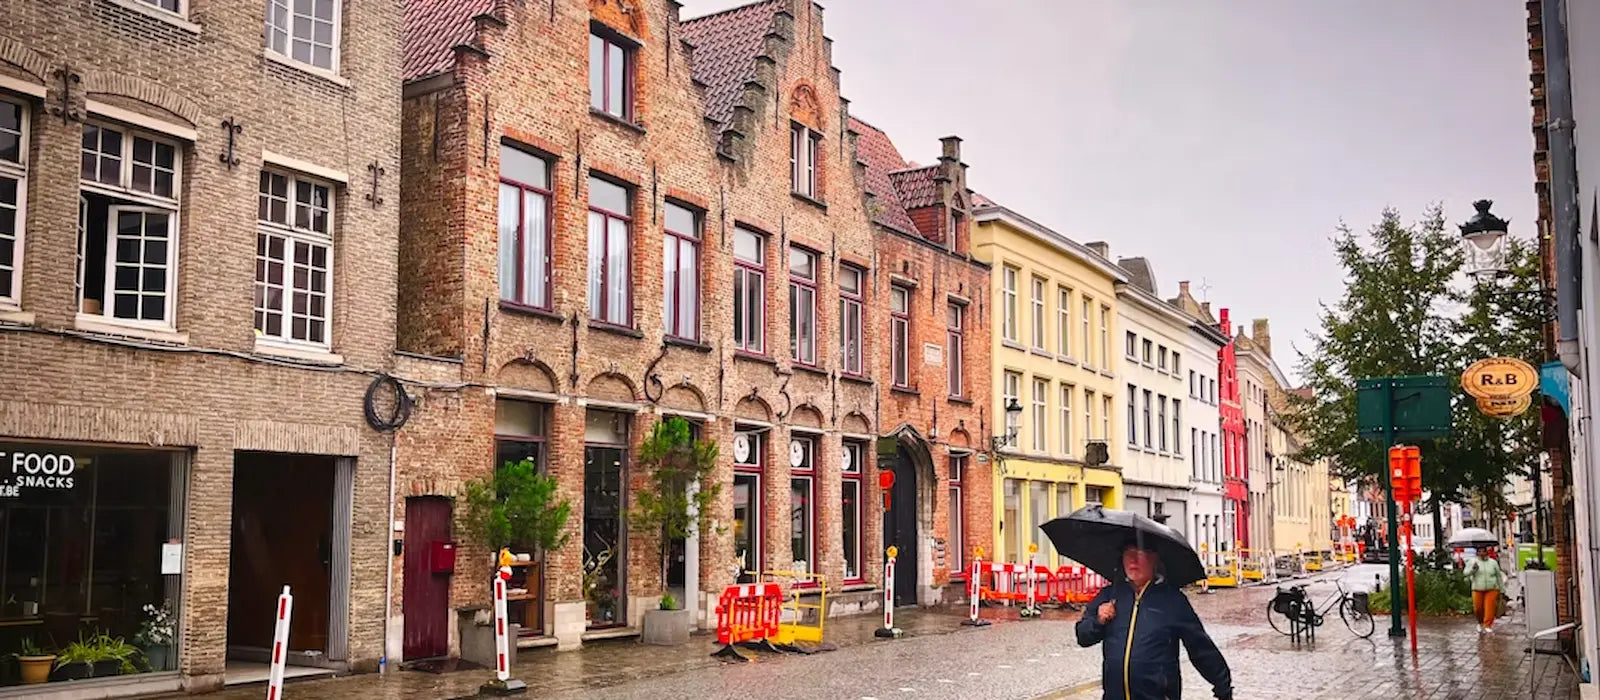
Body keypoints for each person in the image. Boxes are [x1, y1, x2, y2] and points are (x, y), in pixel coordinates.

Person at [1076, 539, 1233, 699]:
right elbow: (1082, 636)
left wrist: (1223, 687)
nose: (1133, 560)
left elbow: (1200, 647)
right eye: (1128, 554)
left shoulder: (1172, 601)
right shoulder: (1110, 595)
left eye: (1140, 554)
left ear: (1154, 559)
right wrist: (1098, 621)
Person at [1465, 546, 1504, 634]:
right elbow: (1466, 573)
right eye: (1480, 552)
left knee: (1490, 608)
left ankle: (1488, 625)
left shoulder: (1493, 562)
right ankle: (1480, 622)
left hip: (1492, 588)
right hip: (1477, 588)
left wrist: (1501, 589)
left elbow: (1498, 576)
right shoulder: (1472, 562)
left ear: (1487, 552)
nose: (1482, 553)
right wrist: (1474, 569)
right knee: (1478, 608)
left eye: (1483, 551)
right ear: (1477, 553)